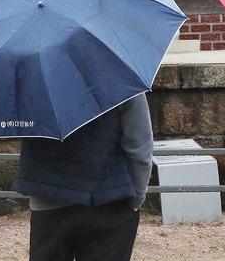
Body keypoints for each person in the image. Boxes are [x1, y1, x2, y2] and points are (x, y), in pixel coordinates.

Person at [12, 93, 153, 261]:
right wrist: (137, 197)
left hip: (48, 199)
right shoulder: (122, 78)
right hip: (109, 199)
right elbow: (140, 148)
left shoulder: (32, 77)